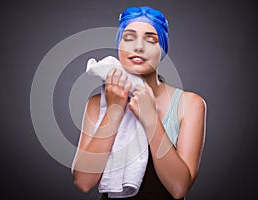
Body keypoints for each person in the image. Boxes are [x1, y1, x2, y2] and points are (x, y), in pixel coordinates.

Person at [72, 6, 207, 199]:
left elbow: (179, 188)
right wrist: (114, 111)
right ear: (119, 45)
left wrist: (150, 119)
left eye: (151, 39)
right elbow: (83, 183)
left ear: (162, 49)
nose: (138, 47)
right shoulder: (96, 104)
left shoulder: (190, 105)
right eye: (128, 38)